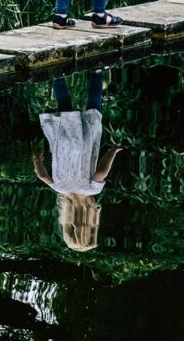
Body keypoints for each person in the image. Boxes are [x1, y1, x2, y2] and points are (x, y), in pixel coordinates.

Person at [33, 72, 122, 252]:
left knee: (94, 108)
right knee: (64, 104)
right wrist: (37, 158)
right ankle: (57, 75)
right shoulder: (60, 188)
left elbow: (100, 173)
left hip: (85, 144)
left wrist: (112, 152)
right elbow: (42, 175)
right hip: (65, 143)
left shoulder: (92, 189)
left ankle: (97, 71)